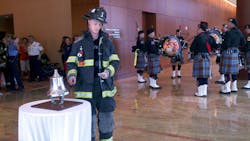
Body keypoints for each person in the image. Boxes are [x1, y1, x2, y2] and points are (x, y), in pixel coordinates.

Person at [66, 7, 120, 141]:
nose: (97, 26)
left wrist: (108, 72)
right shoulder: (79, 43)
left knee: (107, 123)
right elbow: (71, 62)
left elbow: (115, 61)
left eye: (99, 24)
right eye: (94, 23)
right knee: (87, 124)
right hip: (85, 89)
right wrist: (71, 75)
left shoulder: (108, 42)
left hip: (105, 90)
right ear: (88, 22)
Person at [190, 21, 217, 97]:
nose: (197, 30)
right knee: (205, 75)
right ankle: (204, 92)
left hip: (199, 57)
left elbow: (192, 48)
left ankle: (200, 92)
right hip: (207, 57)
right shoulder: (210, 37)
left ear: (200, 29)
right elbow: (215, 46)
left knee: (200, 75)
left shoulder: (198, 37)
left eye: (198, 28)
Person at [220, 18, 245, 94]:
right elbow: (243, 43)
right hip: (235, 52)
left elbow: (225, 44)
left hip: (228, 52)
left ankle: (227, 88)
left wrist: (221, 47)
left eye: (229, 23)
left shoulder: (228, 33)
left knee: (226, 71)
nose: (228, 25)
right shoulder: (239, 32)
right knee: (234, 71)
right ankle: (234, 87)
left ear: (232, 24)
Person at [242, 24, 250, 89]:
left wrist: (243, 50)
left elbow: (248, 45)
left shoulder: (249, 36)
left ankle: (249, 83)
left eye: (246, 29)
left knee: (249, 69)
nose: (245, 30)